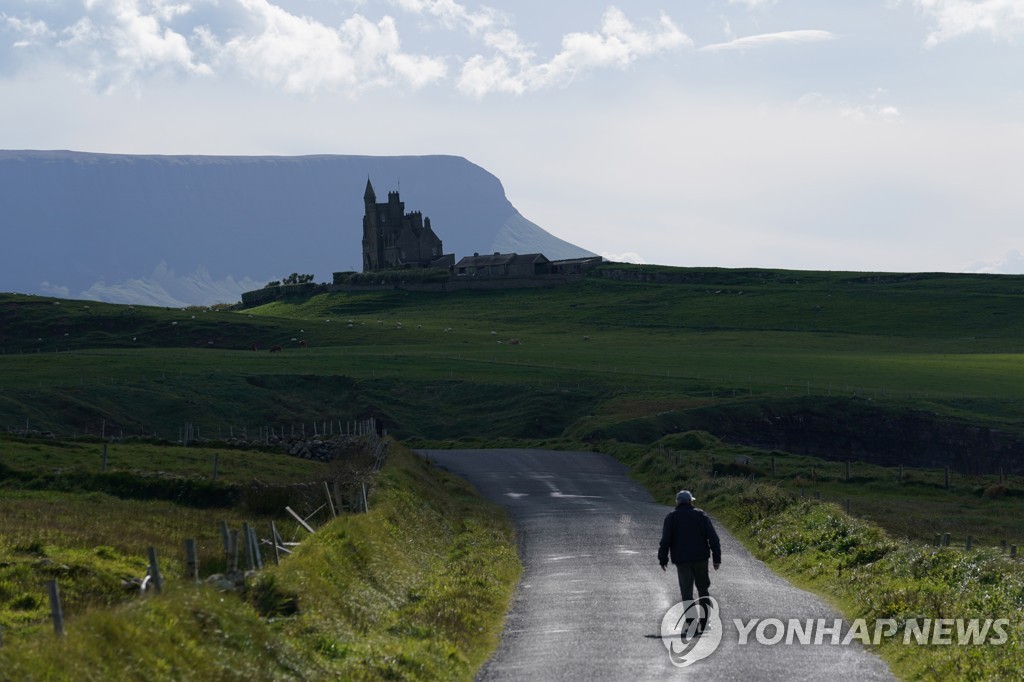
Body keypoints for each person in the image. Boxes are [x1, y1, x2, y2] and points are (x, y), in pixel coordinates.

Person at [658, 490, 722, 633]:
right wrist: (716, 558)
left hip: (682, 560)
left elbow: (666, 540)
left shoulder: (671, 517)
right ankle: (705, 622)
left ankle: (691, 622)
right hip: (701, 558)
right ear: (691, 501)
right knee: (703, 589)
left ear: (677, 502)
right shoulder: (701, 515)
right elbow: (713, 538)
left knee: (686, 592)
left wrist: (663, 558)